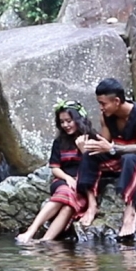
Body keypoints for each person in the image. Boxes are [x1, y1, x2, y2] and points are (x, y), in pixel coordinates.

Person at [76, 78, 136, 238]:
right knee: (90, 154)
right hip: (119, 157)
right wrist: (89, 145)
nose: (100, 108)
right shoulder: (106, 116)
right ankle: (92, 204)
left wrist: (111, 148)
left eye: (103, 103)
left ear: (117, 101)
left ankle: (130, 211)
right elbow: (104, 143)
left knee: (130, 159)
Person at [17, 101, 96, 243]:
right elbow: (55, 168)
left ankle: (46, 241)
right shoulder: (59, 142)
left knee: (68, 207)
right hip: (62, 181)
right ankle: (31, 231)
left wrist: (84, 150)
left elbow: (94, 165)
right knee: (65, 192)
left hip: (83, 183)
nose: (65, 125)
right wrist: (67, 178)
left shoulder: (92, 138)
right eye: (62, 122)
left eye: (69, 121)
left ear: (78, 119)